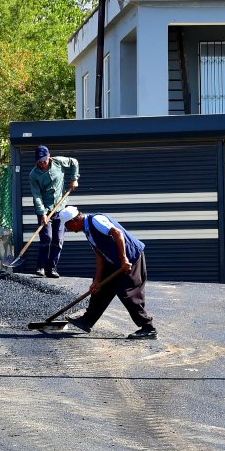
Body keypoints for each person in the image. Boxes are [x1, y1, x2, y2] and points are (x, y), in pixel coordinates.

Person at [61, 206, 157, 340]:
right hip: (113, 261)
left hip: (131, 258)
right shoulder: (88, 231)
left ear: (73, 221)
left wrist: (124, 259)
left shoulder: (96, 220)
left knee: (127, 292)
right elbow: (100, 256)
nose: (68, 229)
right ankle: (87, 321)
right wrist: (97, 280)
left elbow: (117, 233)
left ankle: (148, 328)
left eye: (67, 226)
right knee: (99, 289)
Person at [29, 145, 79, 278]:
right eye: (39, 161)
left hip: (61, 208)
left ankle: (52, 268)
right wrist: (43, 213)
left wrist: (74, 178)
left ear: (49, 156)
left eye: (44, 161)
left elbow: (74, 162)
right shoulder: (34, 174)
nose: (42, 164)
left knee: (58, 239)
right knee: (47, 237)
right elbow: (37, 196)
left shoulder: (58, 162)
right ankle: (40, 267)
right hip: (44, 209)